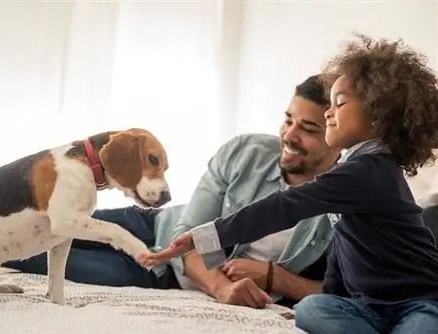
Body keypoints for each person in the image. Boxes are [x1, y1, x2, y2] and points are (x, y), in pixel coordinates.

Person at [142, 34, 438, 334]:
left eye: (340, 103)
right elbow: (346, 248)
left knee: (423, 326)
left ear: (378, 115)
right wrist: (334, 293)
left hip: (418, 302)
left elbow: (285, 206)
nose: (328, 112)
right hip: (369, 307)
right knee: (311, 309)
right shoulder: (354, 169)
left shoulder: (370, 170)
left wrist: (208, 235)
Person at [2, 74, 342, 307]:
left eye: (307, 128)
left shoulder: (347, 203)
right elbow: (188, 234)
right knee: (31, 223)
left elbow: (350, 290)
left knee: (24, 254)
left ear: (336, 139)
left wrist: (277, 279)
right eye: (288, 120)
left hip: (160, 275)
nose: (289, 135)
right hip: (155, 226)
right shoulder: (245, 152)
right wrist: (223, 289)